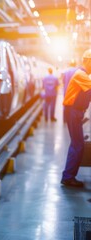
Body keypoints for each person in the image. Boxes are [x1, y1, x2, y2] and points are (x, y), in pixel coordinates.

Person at [61, 48, 91, 188]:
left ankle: (68, 176)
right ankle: (68, 177)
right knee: (77, 144)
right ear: (88, 61)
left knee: (77, 144)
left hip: (75, 112)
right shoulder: (81, 75)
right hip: (73, 112)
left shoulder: (82, 74)